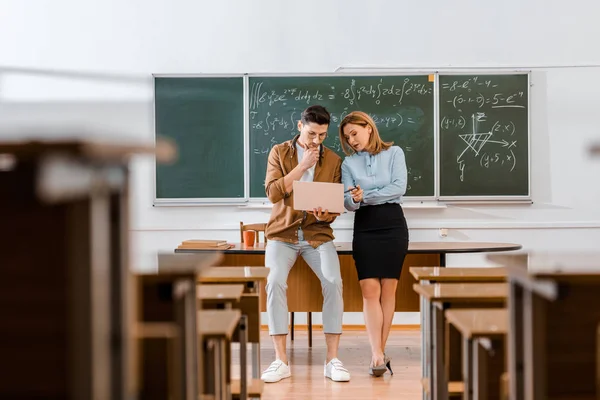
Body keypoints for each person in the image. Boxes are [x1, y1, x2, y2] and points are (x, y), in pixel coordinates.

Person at [260, 105, 350, 383]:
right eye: (312, 133)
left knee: (334, 280)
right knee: (274, 281)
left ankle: (332, 359)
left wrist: (326, 214)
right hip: (282, 234)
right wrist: (302, 166)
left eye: (322, 135)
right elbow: (273, 193)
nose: (316, 140)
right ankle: (280, 360)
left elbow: (334, 209)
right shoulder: (279, 152)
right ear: (300, 127)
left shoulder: (334, 160)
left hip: (317, 235)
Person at [338, 111, 409, 377]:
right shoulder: (348, 164)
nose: (352, 140)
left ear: (368, 127)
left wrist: (364, 195)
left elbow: (398, 188)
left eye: (354, 133)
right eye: (347, 137)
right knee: (369, 290)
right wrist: (356, 199)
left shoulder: (395, 153)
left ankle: (378, 353)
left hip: (393, 224)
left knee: (388, 290)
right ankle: (378, 354)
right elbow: (348, 203)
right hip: (365, 227)